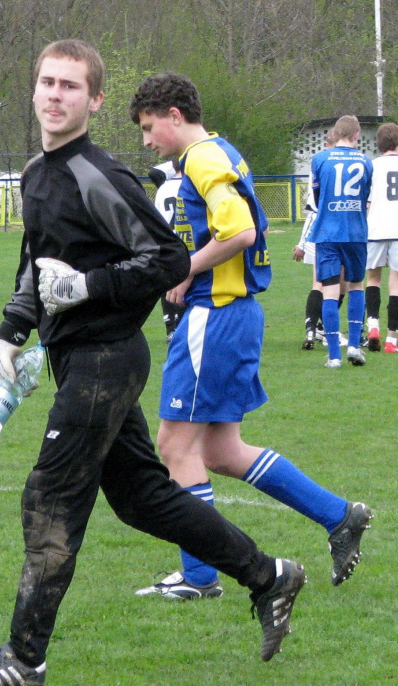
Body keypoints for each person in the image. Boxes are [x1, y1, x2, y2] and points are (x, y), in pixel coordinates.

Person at [0, 41, 308, 686]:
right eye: (47, 83)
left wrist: (87, 288)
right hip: (74, 359)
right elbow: (38, 265)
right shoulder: (36, 174)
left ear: (95, 100)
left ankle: (25, 659)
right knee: (143, 498)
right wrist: (11, 330)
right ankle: (270, 576)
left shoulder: (100, 176)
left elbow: (168, 261)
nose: (55, 95)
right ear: (34, 91)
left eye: (70, 87)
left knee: (50, 497)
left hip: (105, 361)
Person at [129, 73, 373, 601]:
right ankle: (340, 515)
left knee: (173, 445)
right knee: (219, 449)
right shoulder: (220, 151)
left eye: (150, 128)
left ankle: (198, 576)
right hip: (236, 315)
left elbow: (238, 230)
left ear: (174, 115)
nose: (147, 141)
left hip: (213, 314)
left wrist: (185, 269)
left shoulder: (199, 157)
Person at [306, 115, 373, 368]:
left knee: (331, 290)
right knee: (356, 286)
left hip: (328, 233)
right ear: (356, 135)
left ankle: (334, 355)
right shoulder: (366, 162)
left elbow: (317, 196)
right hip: (355, 232)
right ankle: (354, 346)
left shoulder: (320, 159)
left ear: (334, 134)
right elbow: (365, 196)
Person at [293, 129, 348, 350]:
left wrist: (303, 241)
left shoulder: (317, 163)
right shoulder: (333, 163)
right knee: (339, 285)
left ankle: (312, 330)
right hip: (335, 230)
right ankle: (325, 330)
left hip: (318, 230)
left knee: (320, 283)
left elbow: (311, 209)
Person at [364, 122, 398, 353]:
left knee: (373, 279)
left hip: (375, 229)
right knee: (395, 286)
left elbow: (366, 202)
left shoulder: (371, 166)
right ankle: (391, 340)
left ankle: (373, 326)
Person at [151, 158, 185, 342]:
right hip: (186, 239)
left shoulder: (163, 187)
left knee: (168, 284)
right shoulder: (192, 185)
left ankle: (171, 327)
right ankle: (182, 324)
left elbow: (154, 171)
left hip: (166, 240)